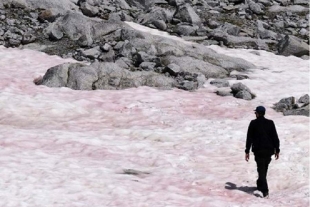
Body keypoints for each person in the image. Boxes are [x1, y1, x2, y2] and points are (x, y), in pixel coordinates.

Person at [245, 106, 280, 198]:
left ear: (258, 113)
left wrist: (247, 151)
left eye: (255, 112)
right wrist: (277, 150)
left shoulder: (253, 123)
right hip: (269, 151)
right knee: (263, 168)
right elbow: (275, 137)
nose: (255, 114)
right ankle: (260, 184)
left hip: (259, 150)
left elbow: (249, 138)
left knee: (261, 169)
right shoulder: (270, 123)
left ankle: (265, 191)